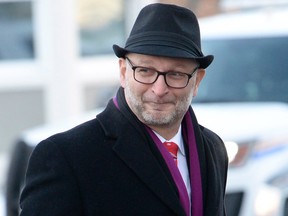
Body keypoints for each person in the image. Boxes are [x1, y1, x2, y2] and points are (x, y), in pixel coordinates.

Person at [19, 3, 228, 216]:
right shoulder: (65, 156)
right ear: (122, 71)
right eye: (145, 71)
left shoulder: (214, 148)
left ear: (197, 81)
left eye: (176, 74)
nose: (159, 89)